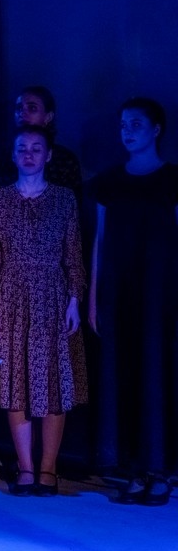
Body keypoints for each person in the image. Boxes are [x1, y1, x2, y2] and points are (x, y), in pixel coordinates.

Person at [0, 125, 88, 497]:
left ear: (48, 155)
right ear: (13, 155)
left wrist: (74, 300)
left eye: (36, 148)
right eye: (22, 148)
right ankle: (26, 467)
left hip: (52, 297)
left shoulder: (64, 199)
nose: (29, 154)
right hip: (11, 295)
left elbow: (74, 254)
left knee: (53, 381)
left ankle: (48, 467)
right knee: (16, 381)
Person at [88, 97, 178, 506]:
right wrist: (94, 298)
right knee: (123, 374)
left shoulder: (171, 179)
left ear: (156, 129)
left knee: (157, 375)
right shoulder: (109, 181)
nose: (127, 131)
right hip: (119, 291)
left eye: (136, 124)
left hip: (160, 294)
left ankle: (159, 469)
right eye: (123, 124)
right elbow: (100, 241)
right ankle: (134, 468)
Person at [0, 86, 82, 196]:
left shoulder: (65, 160)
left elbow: (72, 202)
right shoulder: (3, 158)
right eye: (19, 108)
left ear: (48, 117)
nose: (22, 113)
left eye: (32, 108)